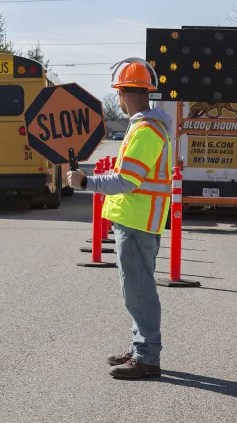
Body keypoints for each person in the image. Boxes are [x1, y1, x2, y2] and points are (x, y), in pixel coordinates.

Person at [67, 58, 173, 380]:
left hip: (137, 221)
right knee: (136, 289)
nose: (118, 99)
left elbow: (128, 180)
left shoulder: (145, 130)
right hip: (137, 220)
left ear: (127, 93)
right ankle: (139, 347)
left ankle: (146, 358)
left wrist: (86, 183)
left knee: (139, 291)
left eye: (120, 92)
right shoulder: (146, 126)